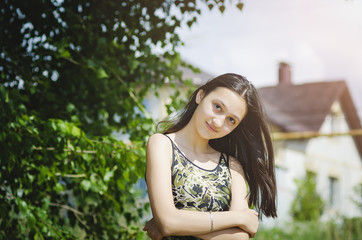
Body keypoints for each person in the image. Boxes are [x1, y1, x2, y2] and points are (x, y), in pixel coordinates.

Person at [143, 73, 277, 239]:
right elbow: (168, 222)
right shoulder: (162, 145)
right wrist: (237, 217)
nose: (218, 123)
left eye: (231, 120)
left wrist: (178, 225)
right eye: (218, 107)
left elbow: (240, 238)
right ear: (201, 95)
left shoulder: (232, 166)